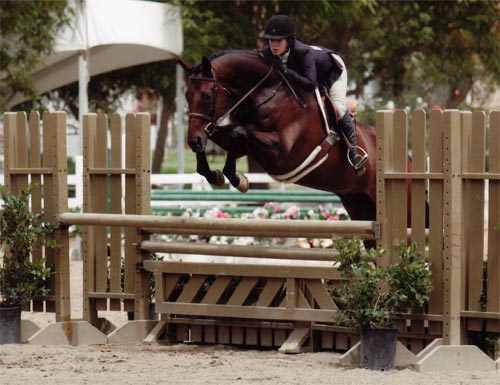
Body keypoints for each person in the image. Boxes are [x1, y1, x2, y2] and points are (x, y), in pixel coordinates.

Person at [261, 15, 368, 171]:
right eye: (271, 40)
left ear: (289, 41)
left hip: (332, 71)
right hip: (310, 75)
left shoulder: (304, 53)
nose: (274, 45)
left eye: (278, 41)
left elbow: (311, 84)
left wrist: (285, 71)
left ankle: (354, 150)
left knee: (337, 107)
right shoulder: (269, 53)